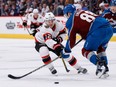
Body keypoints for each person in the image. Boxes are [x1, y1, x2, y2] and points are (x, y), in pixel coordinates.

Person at [62, 4, 113, 78]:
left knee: (85, 50)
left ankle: (100, 66)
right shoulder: (83, 11)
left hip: (97, 31)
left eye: (66, 15)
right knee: (100, 48)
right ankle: (105, 67)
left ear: (69, 13)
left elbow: (71, 39)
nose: (67, 17)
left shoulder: (71, 19)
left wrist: (66, 51)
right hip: (109, 29)